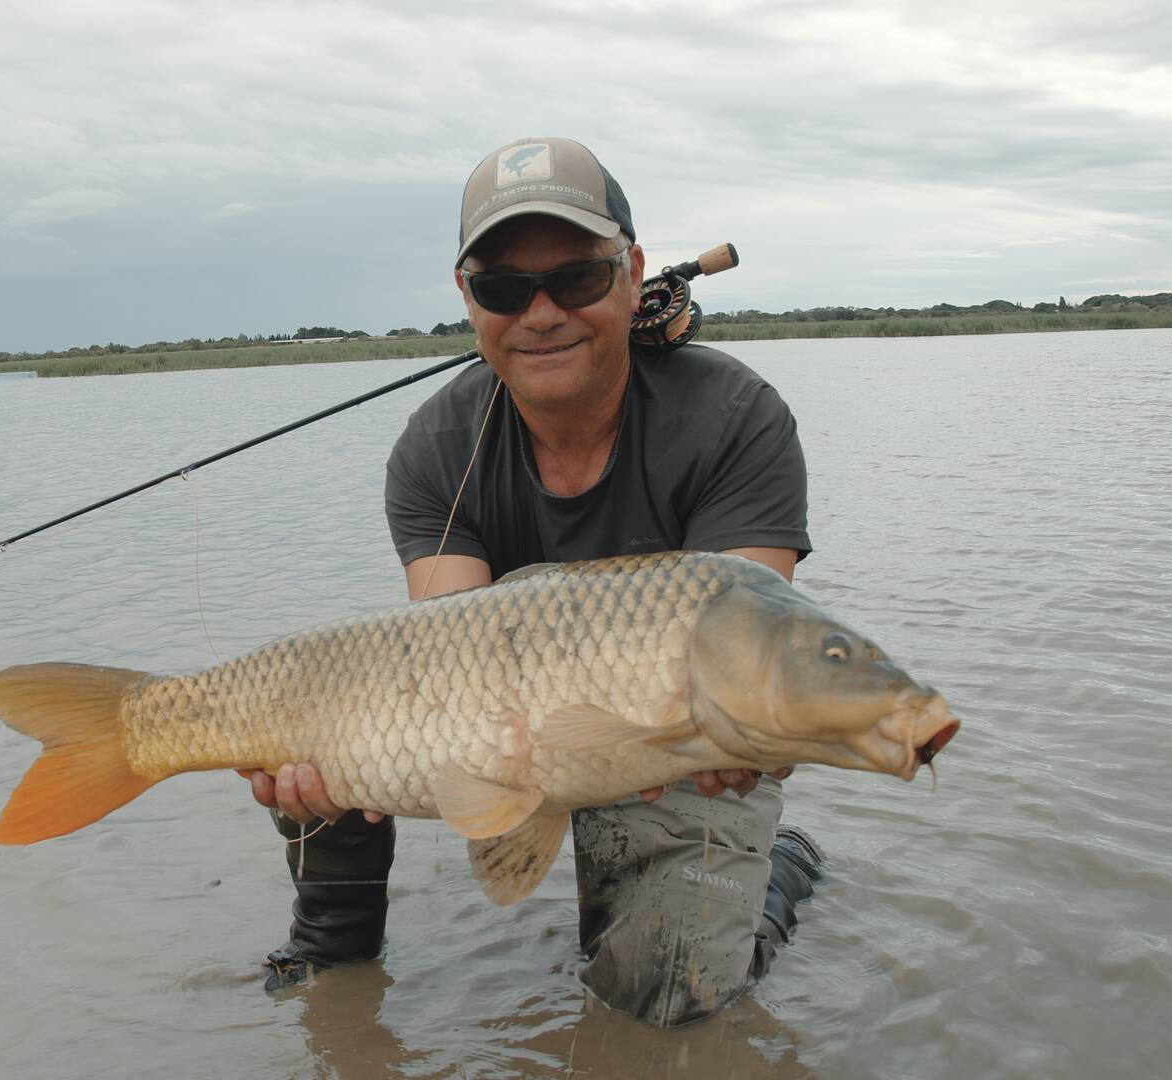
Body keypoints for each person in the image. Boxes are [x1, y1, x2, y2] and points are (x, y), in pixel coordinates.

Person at [239, 137, 824, 1028]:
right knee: (343, 721)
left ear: (631, 274)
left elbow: (747, 653)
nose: (541, 313)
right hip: (505, 716)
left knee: (661, 1004)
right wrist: (347, 753)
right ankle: (333, 951)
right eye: (506, 289)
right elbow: (439, 672)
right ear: (468, 300)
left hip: (667, 745)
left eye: (579, 279)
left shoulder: (735, 418)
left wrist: (743, 735)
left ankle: (771, 876)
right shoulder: (436, 447)